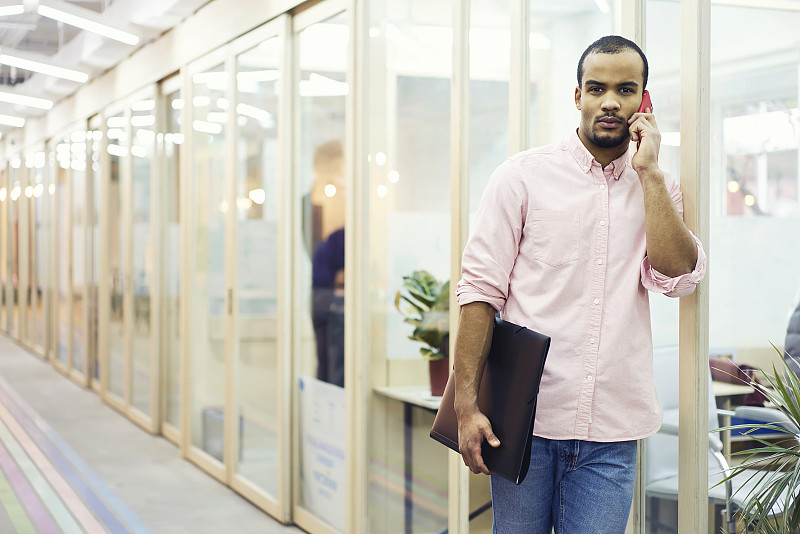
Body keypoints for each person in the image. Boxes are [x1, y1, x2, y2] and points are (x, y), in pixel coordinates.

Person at [453, 35, 707, 533]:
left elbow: (677, 277)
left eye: (626, 90)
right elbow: (480, 292)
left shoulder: (659, 187)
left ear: (643, 102)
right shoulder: (521, 177)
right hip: (525, 423)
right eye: (597, 88)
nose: (610, 101)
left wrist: (650, 171)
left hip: (612, 431)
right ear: (578, 96)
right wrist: (466, 403)